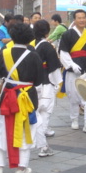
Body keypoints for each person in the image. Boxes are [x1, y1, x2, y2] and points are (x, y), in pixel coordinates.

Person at [0, 22, 44, 173]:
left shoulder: (4, 53)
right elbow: (39, 80)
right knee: (27, 131)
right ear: (29, 37)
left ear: (12, 35)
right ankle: (21, 168)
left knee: (3, 129)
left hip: (7, 97)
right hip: (27, 98)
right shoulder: (33, 55)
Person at [59, 9, 86, 133]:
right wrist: (71, 65)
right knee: (73, 96)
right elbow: (63, 52)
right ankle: (74, 119)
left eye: (83, 17)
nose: (81, 20)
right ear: (74, 20)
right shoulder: (67, 34)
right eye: (79, 18)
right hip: (72, 71)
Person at [33, 20, 62, 157]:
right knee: (44, 113)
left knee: (36, 114)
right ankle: (43, 146)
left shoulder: (31, 46)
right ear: (47, 32)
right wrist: (58, 84)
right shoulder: (47, 47)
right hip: (46, 83)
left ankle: (38, 143)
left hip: (32, 83)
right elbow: (54, 69)